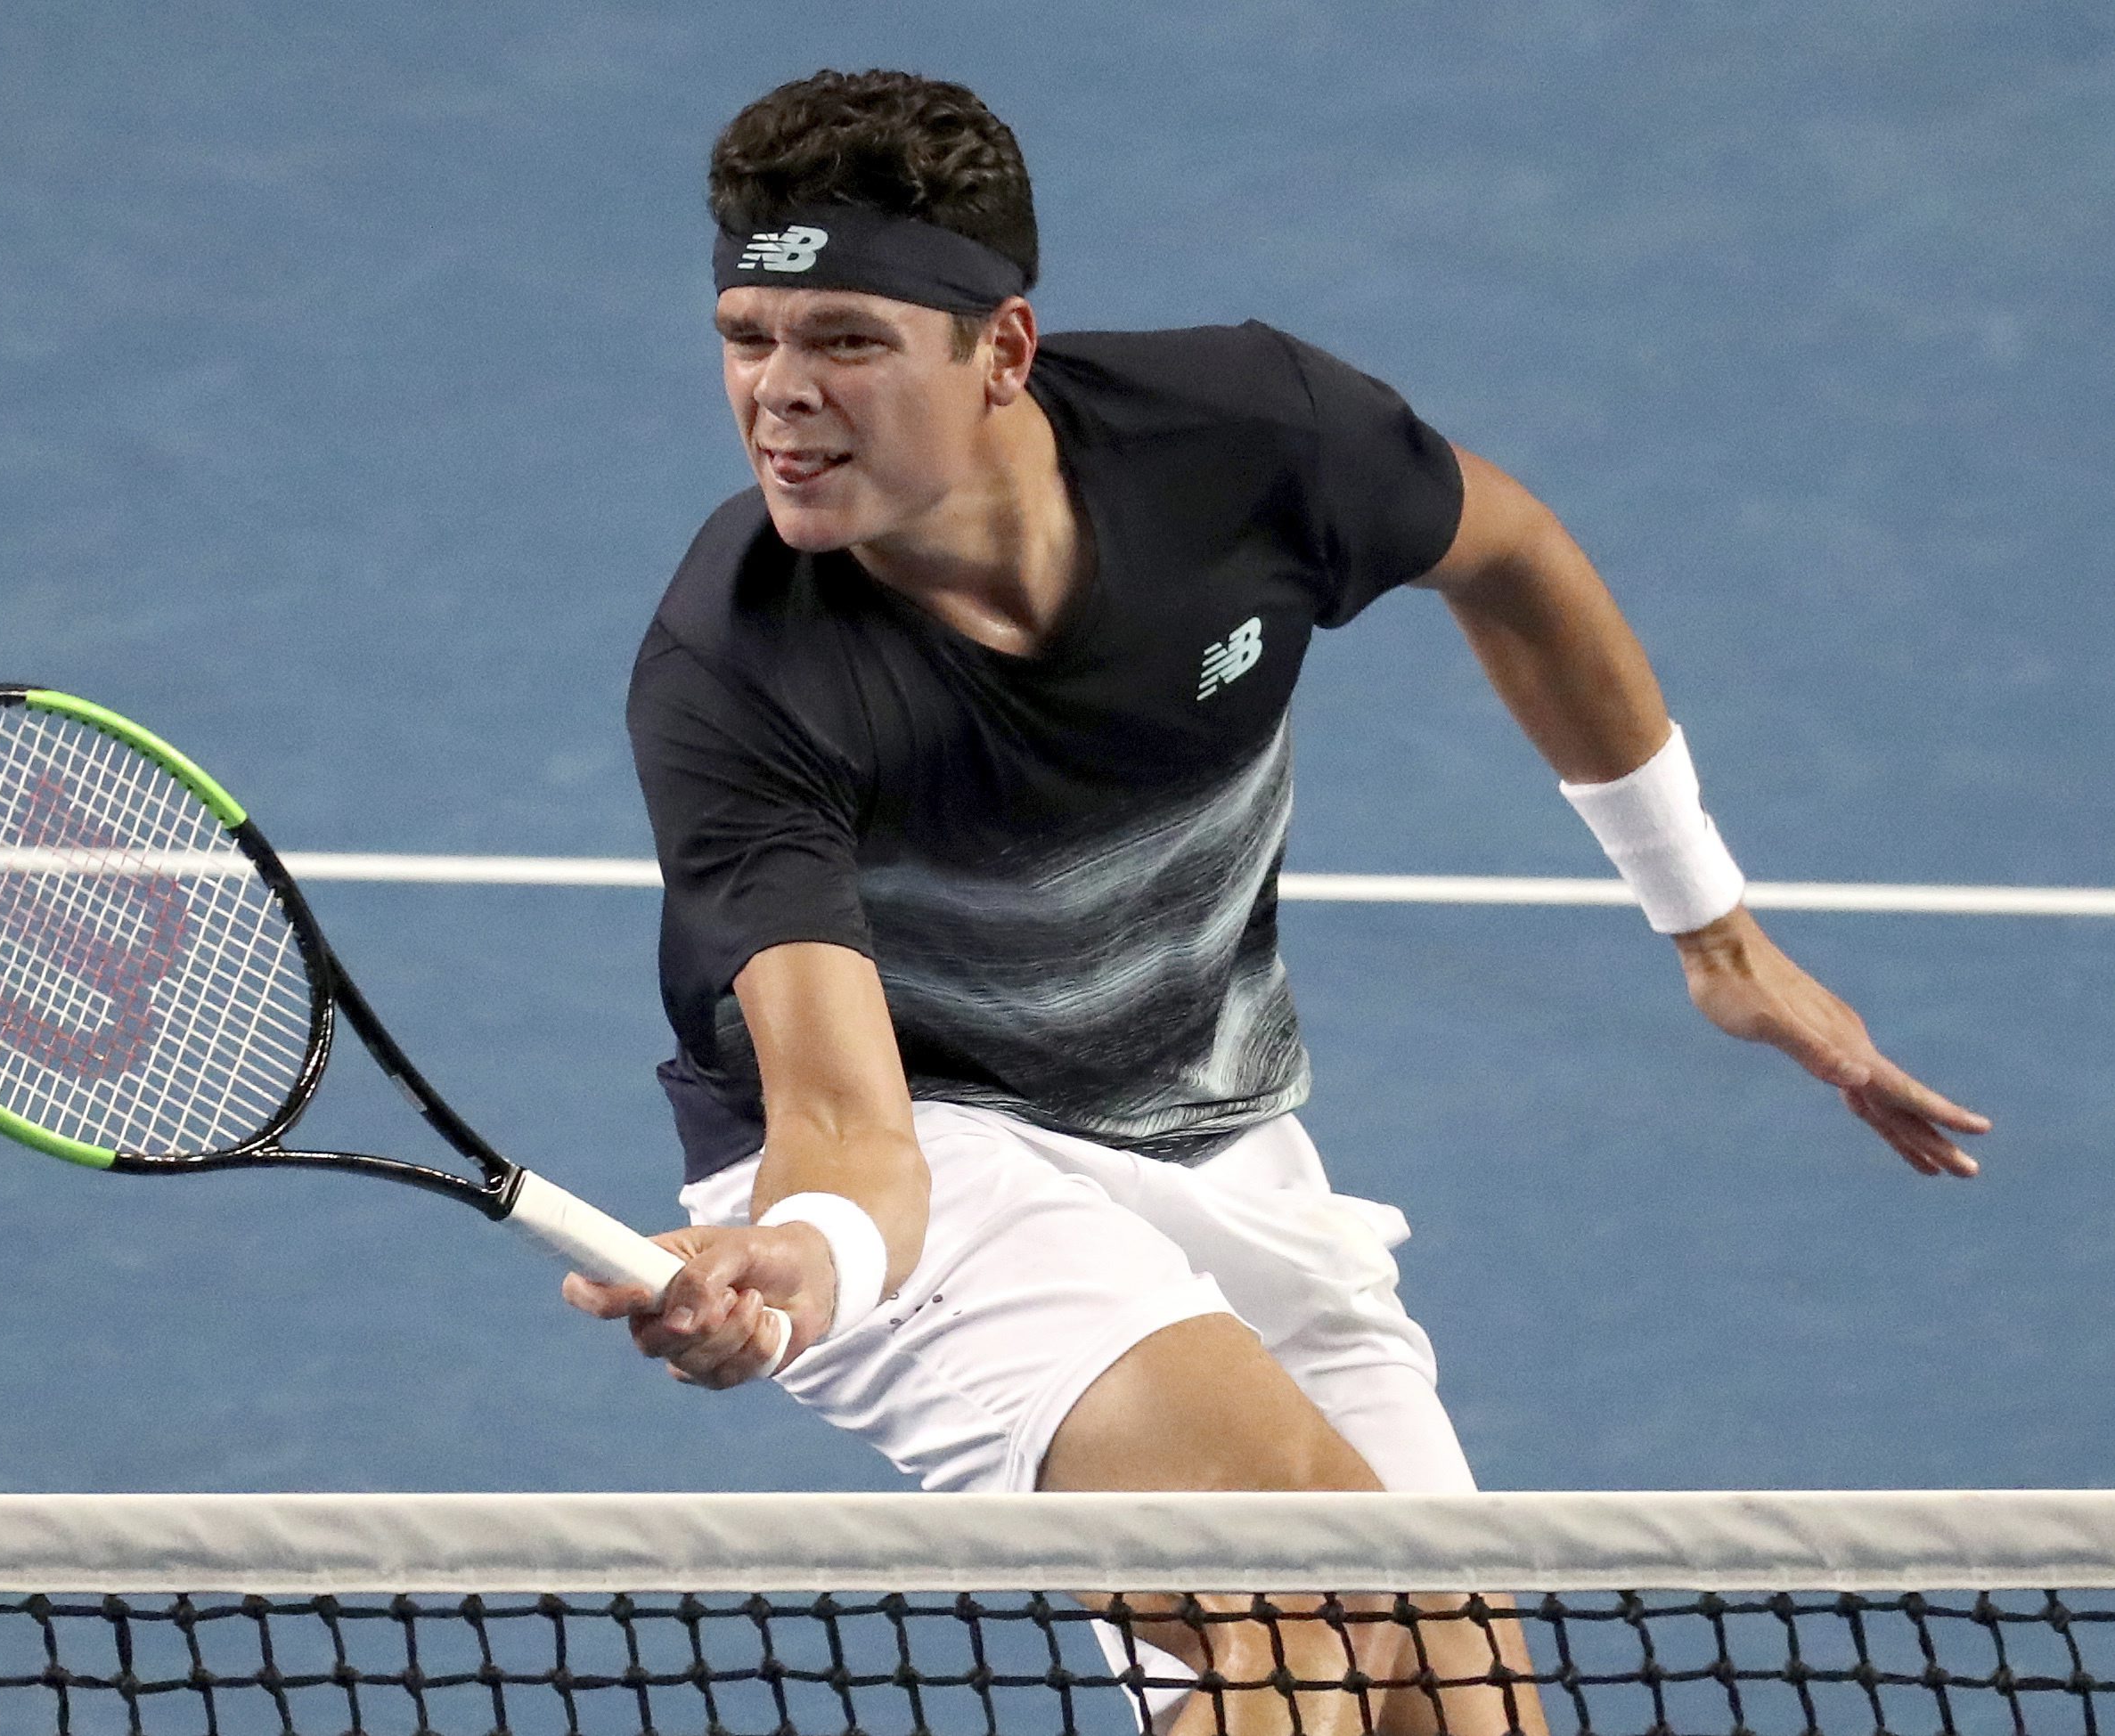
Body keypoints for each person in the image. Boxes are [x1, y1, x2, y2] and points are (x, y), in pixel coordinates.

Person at [564, 69, 1990, 1735]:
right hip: (927, 1166)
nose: (779, 395)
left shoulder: (1249, 442)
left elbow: (1512, 554)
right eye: (749, 333)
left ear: (1003, 351)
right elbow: (849, 1126)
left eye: (848, 339)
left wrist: (1716, 932)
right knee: (1302, 1601)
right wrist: (799, 1268)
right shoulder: (737, 669)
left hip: (1213, 1124)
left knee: (1456, 1695)